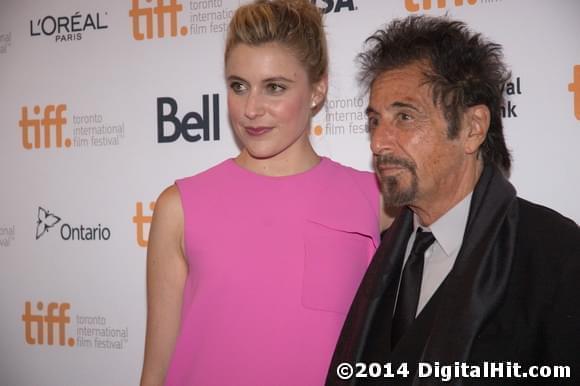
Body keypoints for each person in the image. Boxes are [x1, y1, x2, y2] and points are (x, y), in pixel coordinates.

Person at [140, 1, 392, 385]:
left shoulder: (375, 200)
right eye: (238, 86)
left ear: (317, 89)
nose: (251, 109)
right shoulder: (180, 207)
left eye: (274, 87)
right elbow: (156, 372)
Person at [326, 15, 580, 385]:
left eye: (405, 116)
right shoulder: (380, 253)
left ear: (472, 129)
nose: (379, 142)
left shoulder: (555, 254)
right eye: (375, 121)